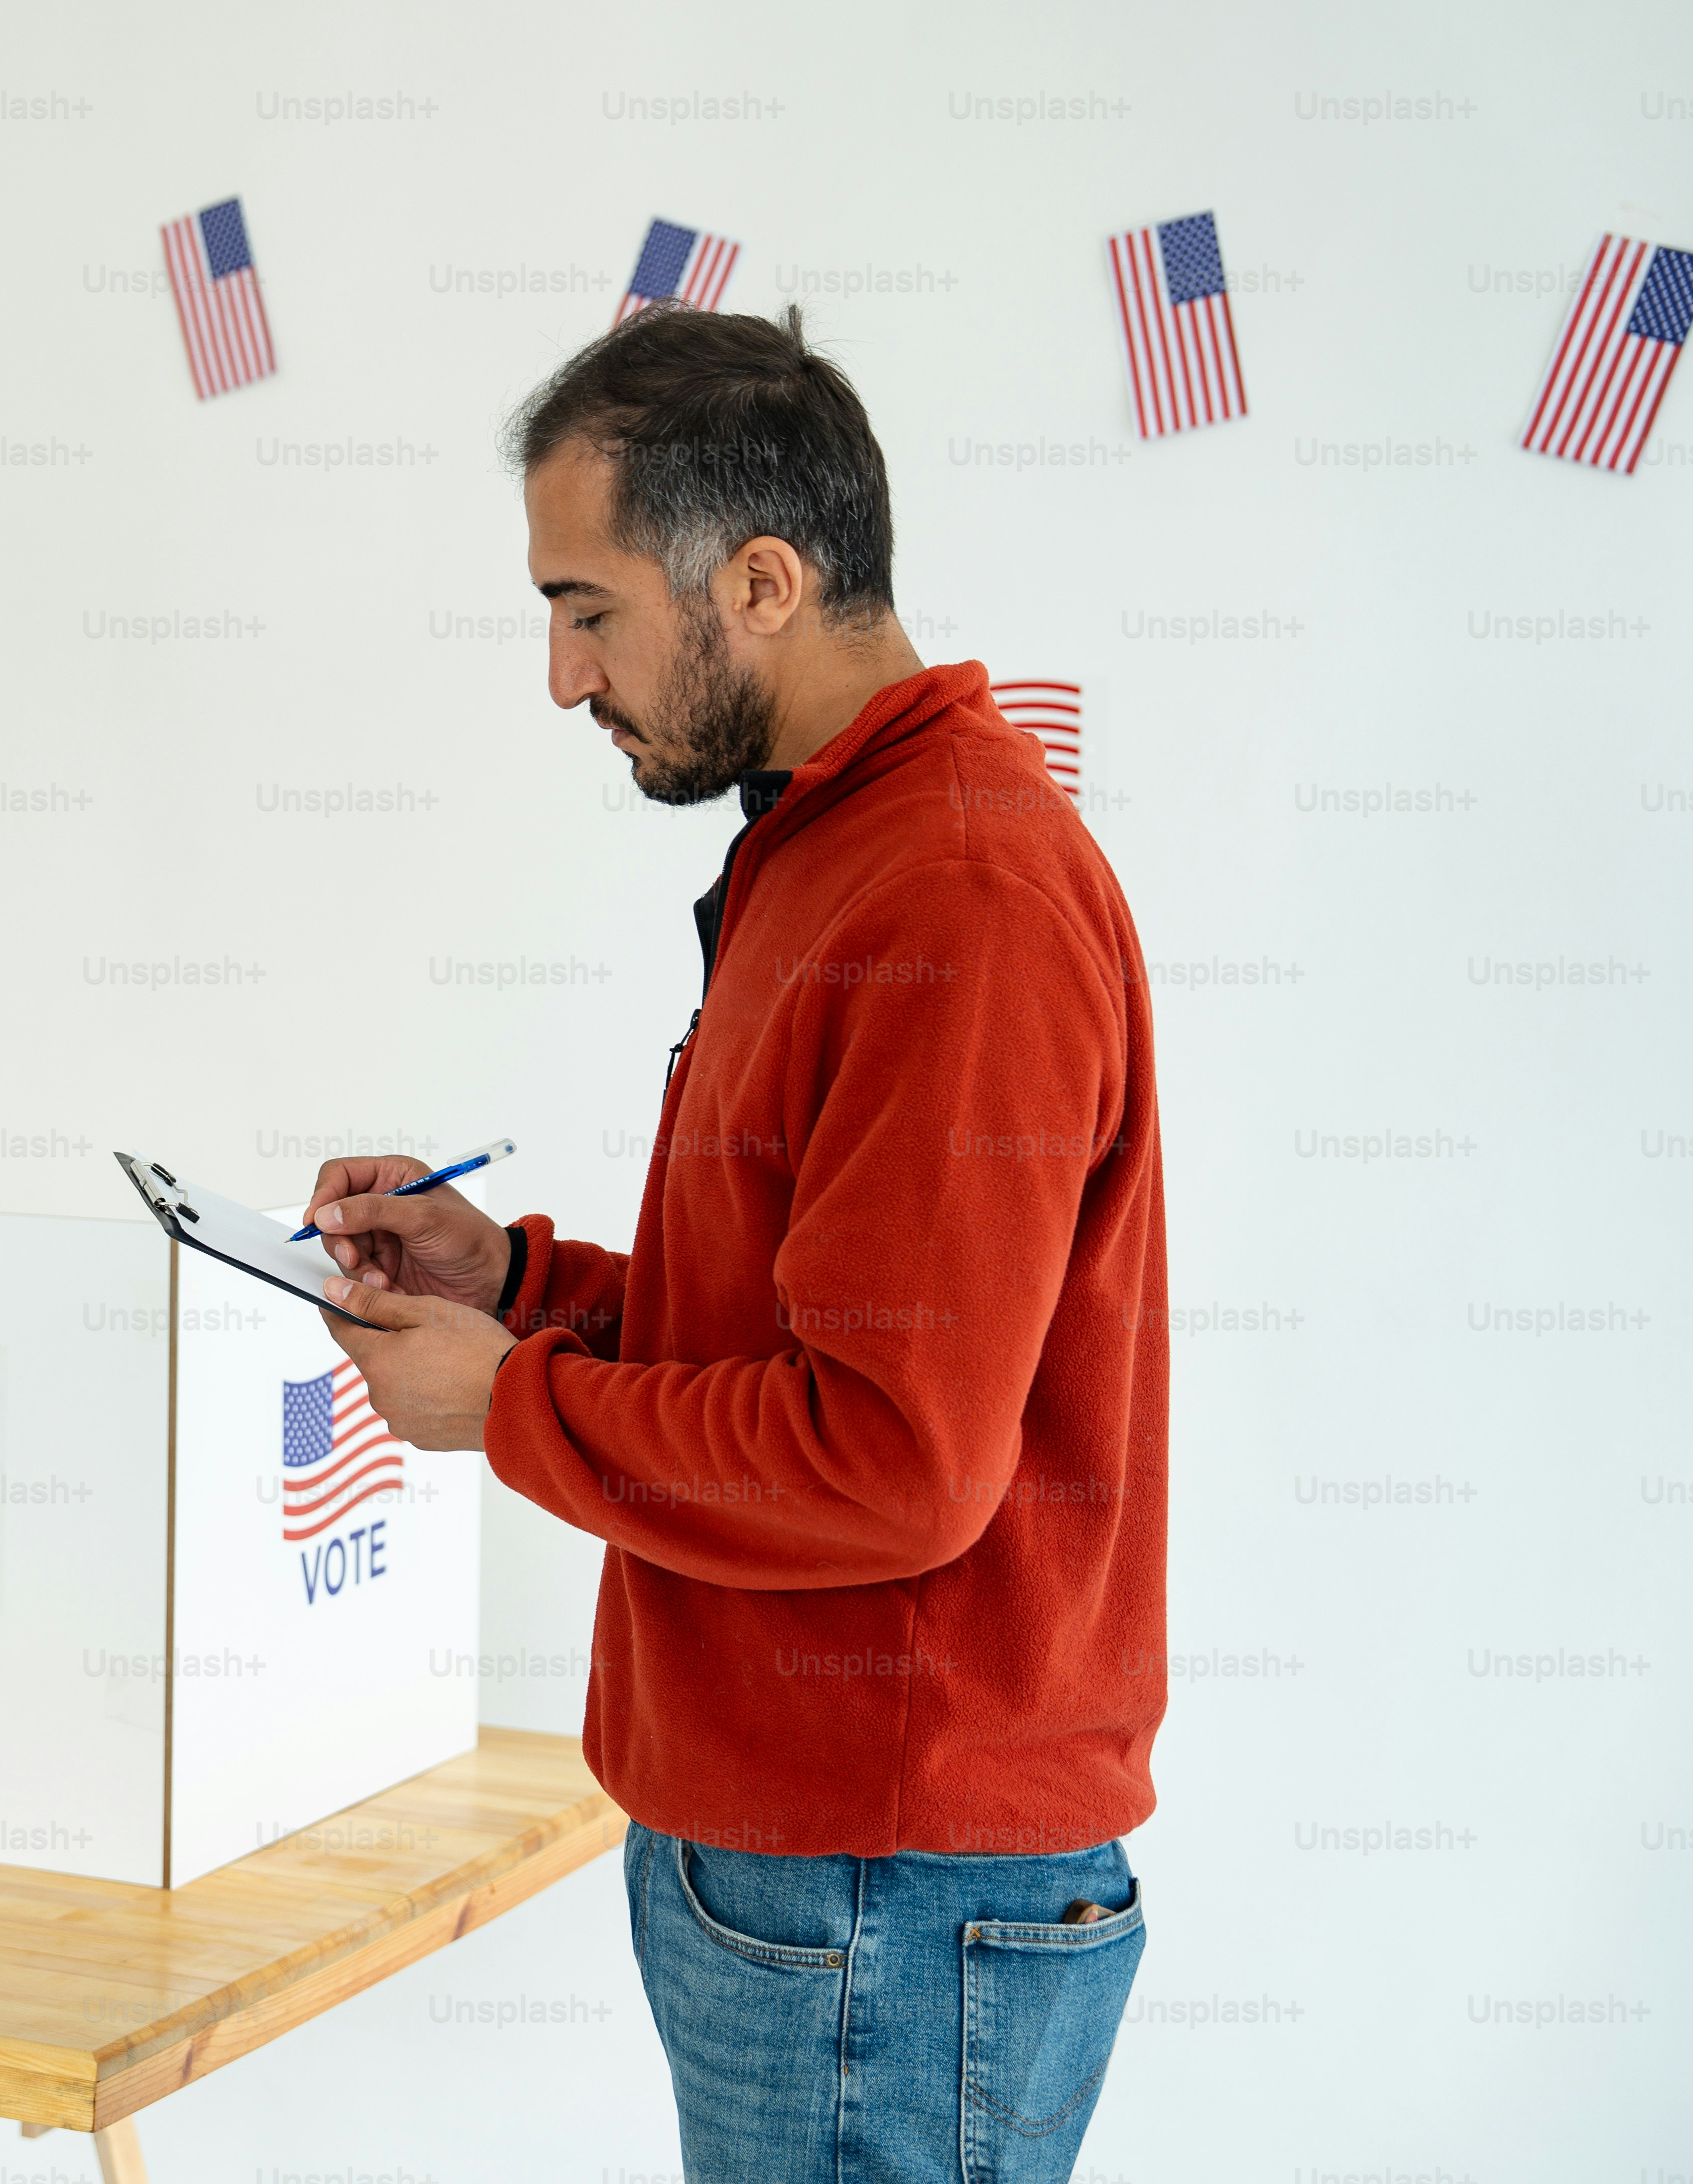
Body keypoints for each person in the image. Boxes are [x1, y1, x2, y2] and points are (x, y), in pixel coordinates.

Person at [306, 304, 1166, 2183]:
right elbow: (800, 1325)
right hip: (823, 1871)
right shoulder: (838, 847)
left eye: (587, 608)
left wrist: (512, 1407)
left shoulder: (960, 888)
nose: (559, 676)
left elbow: (892, 1459)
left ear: (760, 580)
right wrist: (515, 1283)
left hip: (884, 1880)